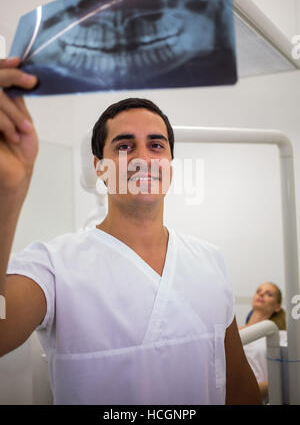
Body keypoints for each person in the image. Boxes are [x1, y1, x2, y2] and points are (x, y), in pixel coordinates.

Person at [0, 57, 261, 405]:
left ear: (170, 164)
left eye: (156, 145)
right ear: (100, 168)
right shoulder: (54, 266)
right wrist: (8, 192)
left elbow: (240, 388)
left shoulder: (210, 261)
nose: (142, 158)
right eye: (124, 146)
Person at [239, 282, 286, 403]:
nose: (261, 294)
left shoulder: (280, 336)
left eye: (269, 294)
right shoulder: (232, 331)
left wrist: (253, 391)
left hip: (257, 396)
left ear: (277, 307)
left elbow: (285, 376)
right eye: (258, 291)